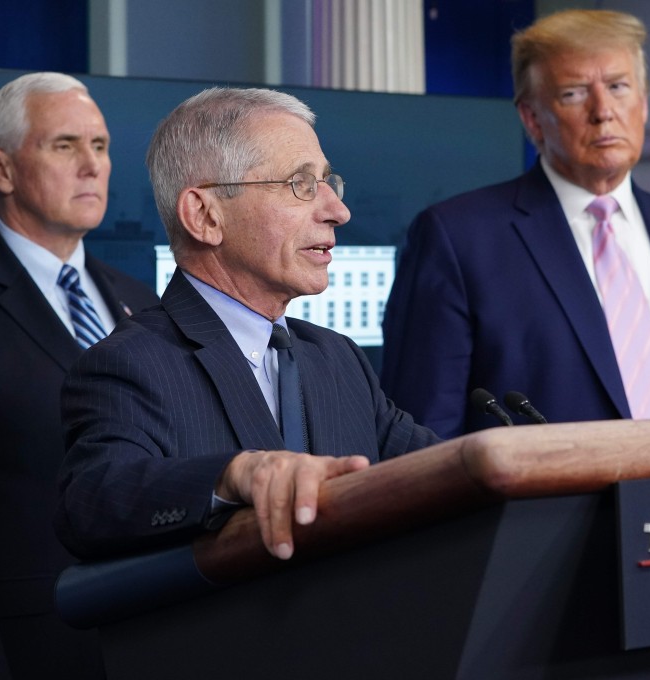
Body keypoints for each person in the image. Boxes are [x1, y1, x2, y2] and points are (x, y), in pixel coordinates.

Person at [54, 87, 441, 563]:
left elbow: (438, 472)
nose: (338, 212)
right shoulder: (129, 364)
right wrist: (231, 476)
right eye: (300, 184)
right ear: (205, 215)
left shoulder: (338, 358)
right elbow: (92, 501)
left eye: (327, 182)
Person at [379, 9, 650, 439]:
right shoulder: (458, 240)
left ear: (644, 102)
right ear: (533, 119)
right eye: (575, 94)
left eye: (618, 87)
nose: (603, 112)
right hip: (535, 506)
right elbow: (421, 435)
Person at [0, 72, 158, 678]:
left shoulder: (139, 299)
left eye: (101, 146)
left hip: (155, 638)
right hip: (33, 652)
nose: (92, 166)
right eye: (65, 145)